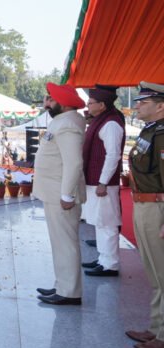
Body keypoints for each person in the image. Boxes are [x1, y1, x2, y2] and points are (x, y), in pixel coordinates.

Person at [34, 82, 87, 306]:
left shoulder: (67, 125)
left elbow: (73, 163)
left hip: (61, 194)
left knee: (65, 242)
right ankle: (62, 284)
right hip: (54, 192)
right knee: (59, 242)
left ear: (64, 105)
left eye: (52, 100)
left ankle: (69, 291)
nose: (48, 103)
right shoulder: (62, 121)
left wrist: (67, 196)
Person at [126, 81, 164, 348]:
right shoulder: (151, 131)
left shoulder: (162, 135)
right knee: (154, 272)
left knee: (163, 273)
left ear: (161, 107)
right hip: (144, 204)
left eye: (144, 102)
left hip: (158, 208)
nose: (137, 105)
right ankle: (156, 326)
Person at [81, 85, 126, 277]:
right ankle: (103, 259)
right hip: (96, 180)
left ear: (102, 104)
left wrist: (103, 182)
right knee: (99, 222)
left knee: (107, 223)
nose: (87, 106)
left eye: (91, 103)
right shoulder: (102, 120)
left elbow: (113, 155)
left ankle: (110, 264)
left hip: (103, 183)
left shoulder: (111, 124)